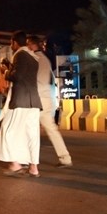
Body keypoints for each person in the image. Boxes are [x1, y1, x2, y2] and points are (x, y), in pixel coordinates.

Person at [0, 30, 42, 177]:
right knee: (31, 135)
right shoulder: (33, 57)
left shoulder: (19, 54)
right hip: (34, 101)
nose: (11, 46)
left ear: (15, 42)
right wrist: (10, 66)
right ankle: (33, 168)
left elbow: (18, 76)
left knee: (7, 130)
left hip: (20, 100)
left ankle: (15, 164)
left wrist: (5, 72)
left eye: (11, 43)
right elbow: (23, 73)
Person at [27, 34, 73, 167]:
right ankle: (65, 158)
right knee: (51, 130)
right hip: (47, 99)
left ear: (33, 45)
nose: (27, 47)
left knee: (29, 129)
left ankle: (27, 161)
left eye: (28, 44)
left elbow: (35, 81)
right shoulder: (44, 59)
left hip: (40, 100)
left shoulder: (36, 59)